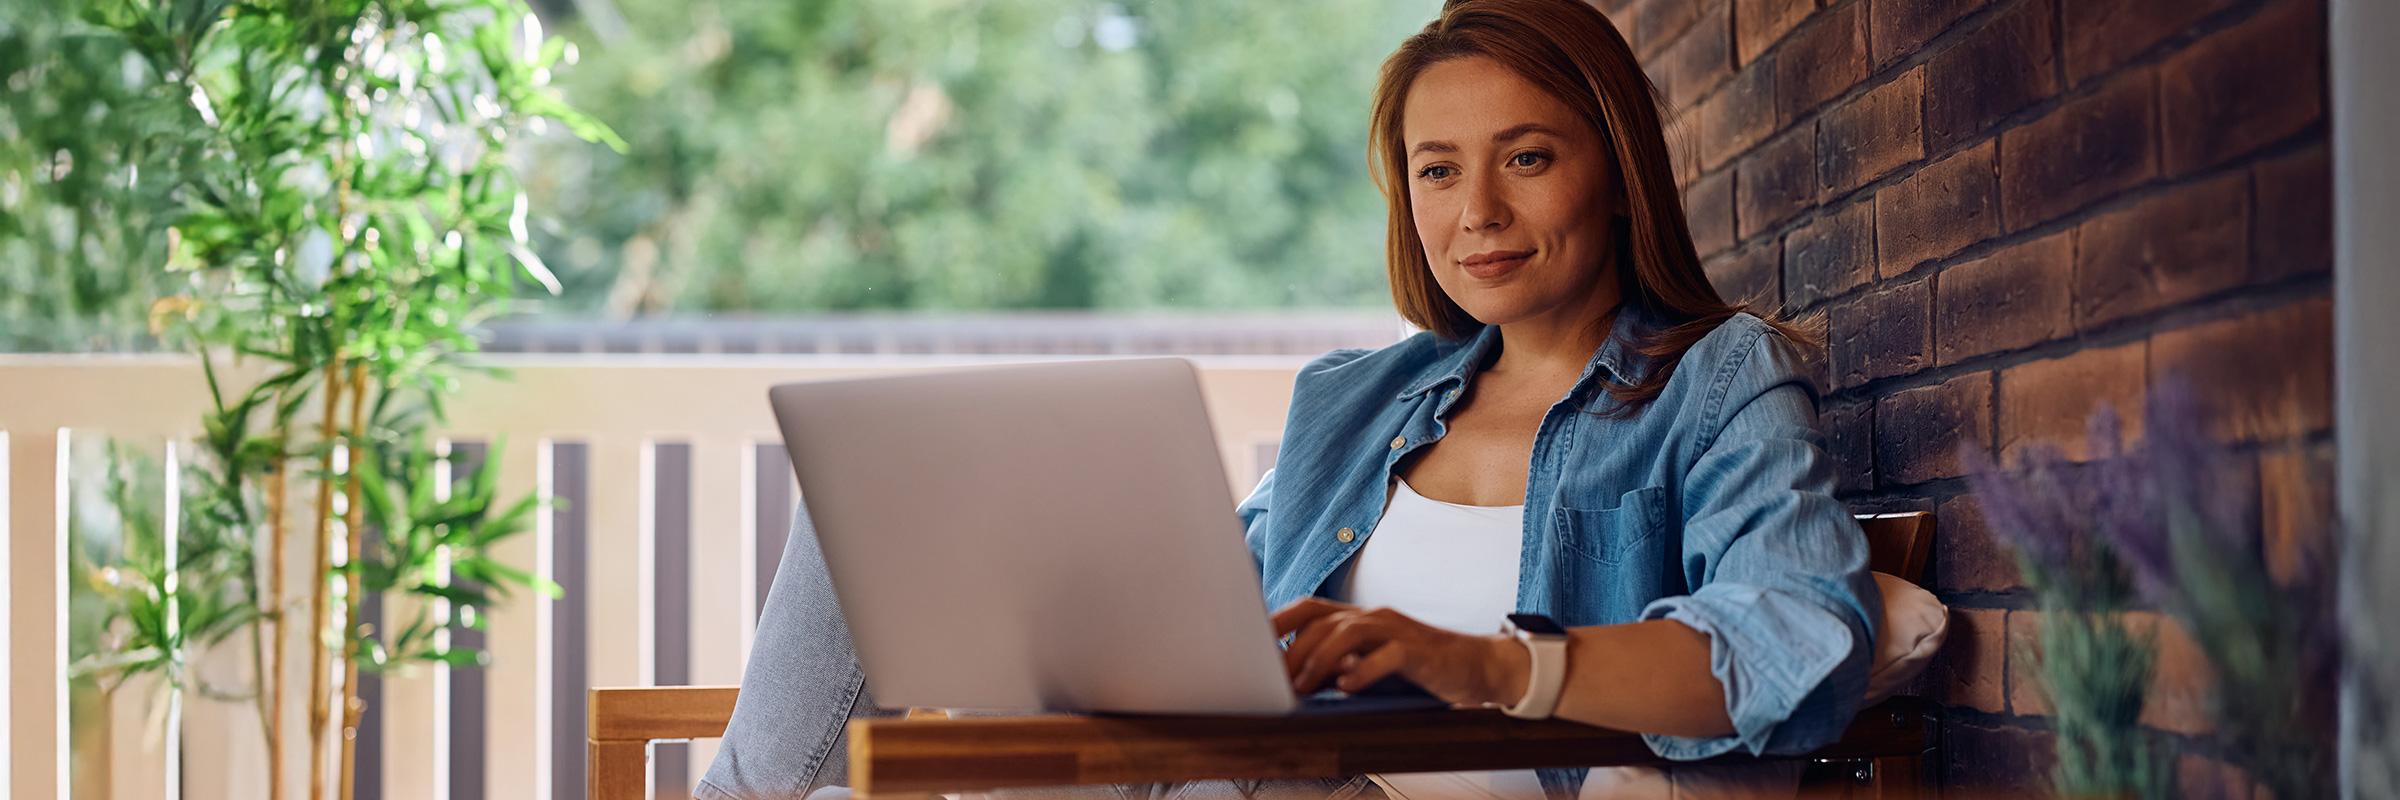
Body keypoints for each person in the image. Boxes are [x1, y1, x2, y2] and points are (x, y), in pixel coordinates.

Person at [696, 1, 1877, 798]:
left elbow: (1799, 645)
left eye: (1526, 157)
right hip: (1229, 767)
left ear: (1616, 173)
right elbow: (1218, 607)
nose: (1476, 214)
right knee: (874, 517)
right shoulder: (1359, 399)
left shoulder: (1718, 379)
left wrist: (1485, 665)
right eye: (1436, 169)